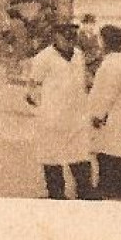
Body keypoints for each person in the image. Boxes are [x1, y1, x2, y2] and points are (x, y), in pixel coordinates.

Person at [27, 21, 95, 199]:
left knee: (79, 152)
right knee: (52, 154)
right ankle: (56, 193)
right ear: (56, 36)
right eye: (66, 37)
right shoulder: (44, 57)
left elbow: (81, 79)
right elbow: (33, 84)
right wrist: (36, 102)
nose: (70, 41)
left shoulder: (78, 54)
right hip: (53, 114)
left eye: (73, 38)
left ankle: (84, 191)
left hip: (76, 113)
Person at [88, 24, 121, 199]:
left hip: (111, 113)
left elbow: (108, 92)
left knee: (106, 152)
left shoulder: (113, 64)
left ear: (106, 41)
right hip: (119, 112)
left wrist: (99, 113)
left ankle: (108, 186)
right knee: (116, 151)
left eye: (101, 39)